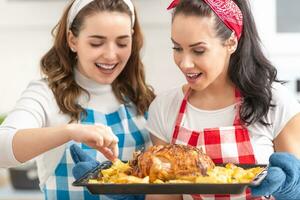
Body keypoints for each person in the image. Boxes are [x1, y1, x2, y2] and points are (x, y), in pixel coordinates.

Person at [145, 0, 300, 199]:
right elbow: (165, 195)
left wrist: (292, 190)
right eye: (177, 48)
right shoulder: (164, 107)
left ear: (231, 42)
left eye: (198, 50)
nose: (185, 63)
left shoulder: (275, 103)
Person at [0, 0, 154, 199]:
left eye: (122, 43)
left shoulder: (140, 97)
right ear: (73, 40)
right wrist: (70, 131)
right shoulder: (47, 95)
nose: (110, 54)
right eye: (96, 43)